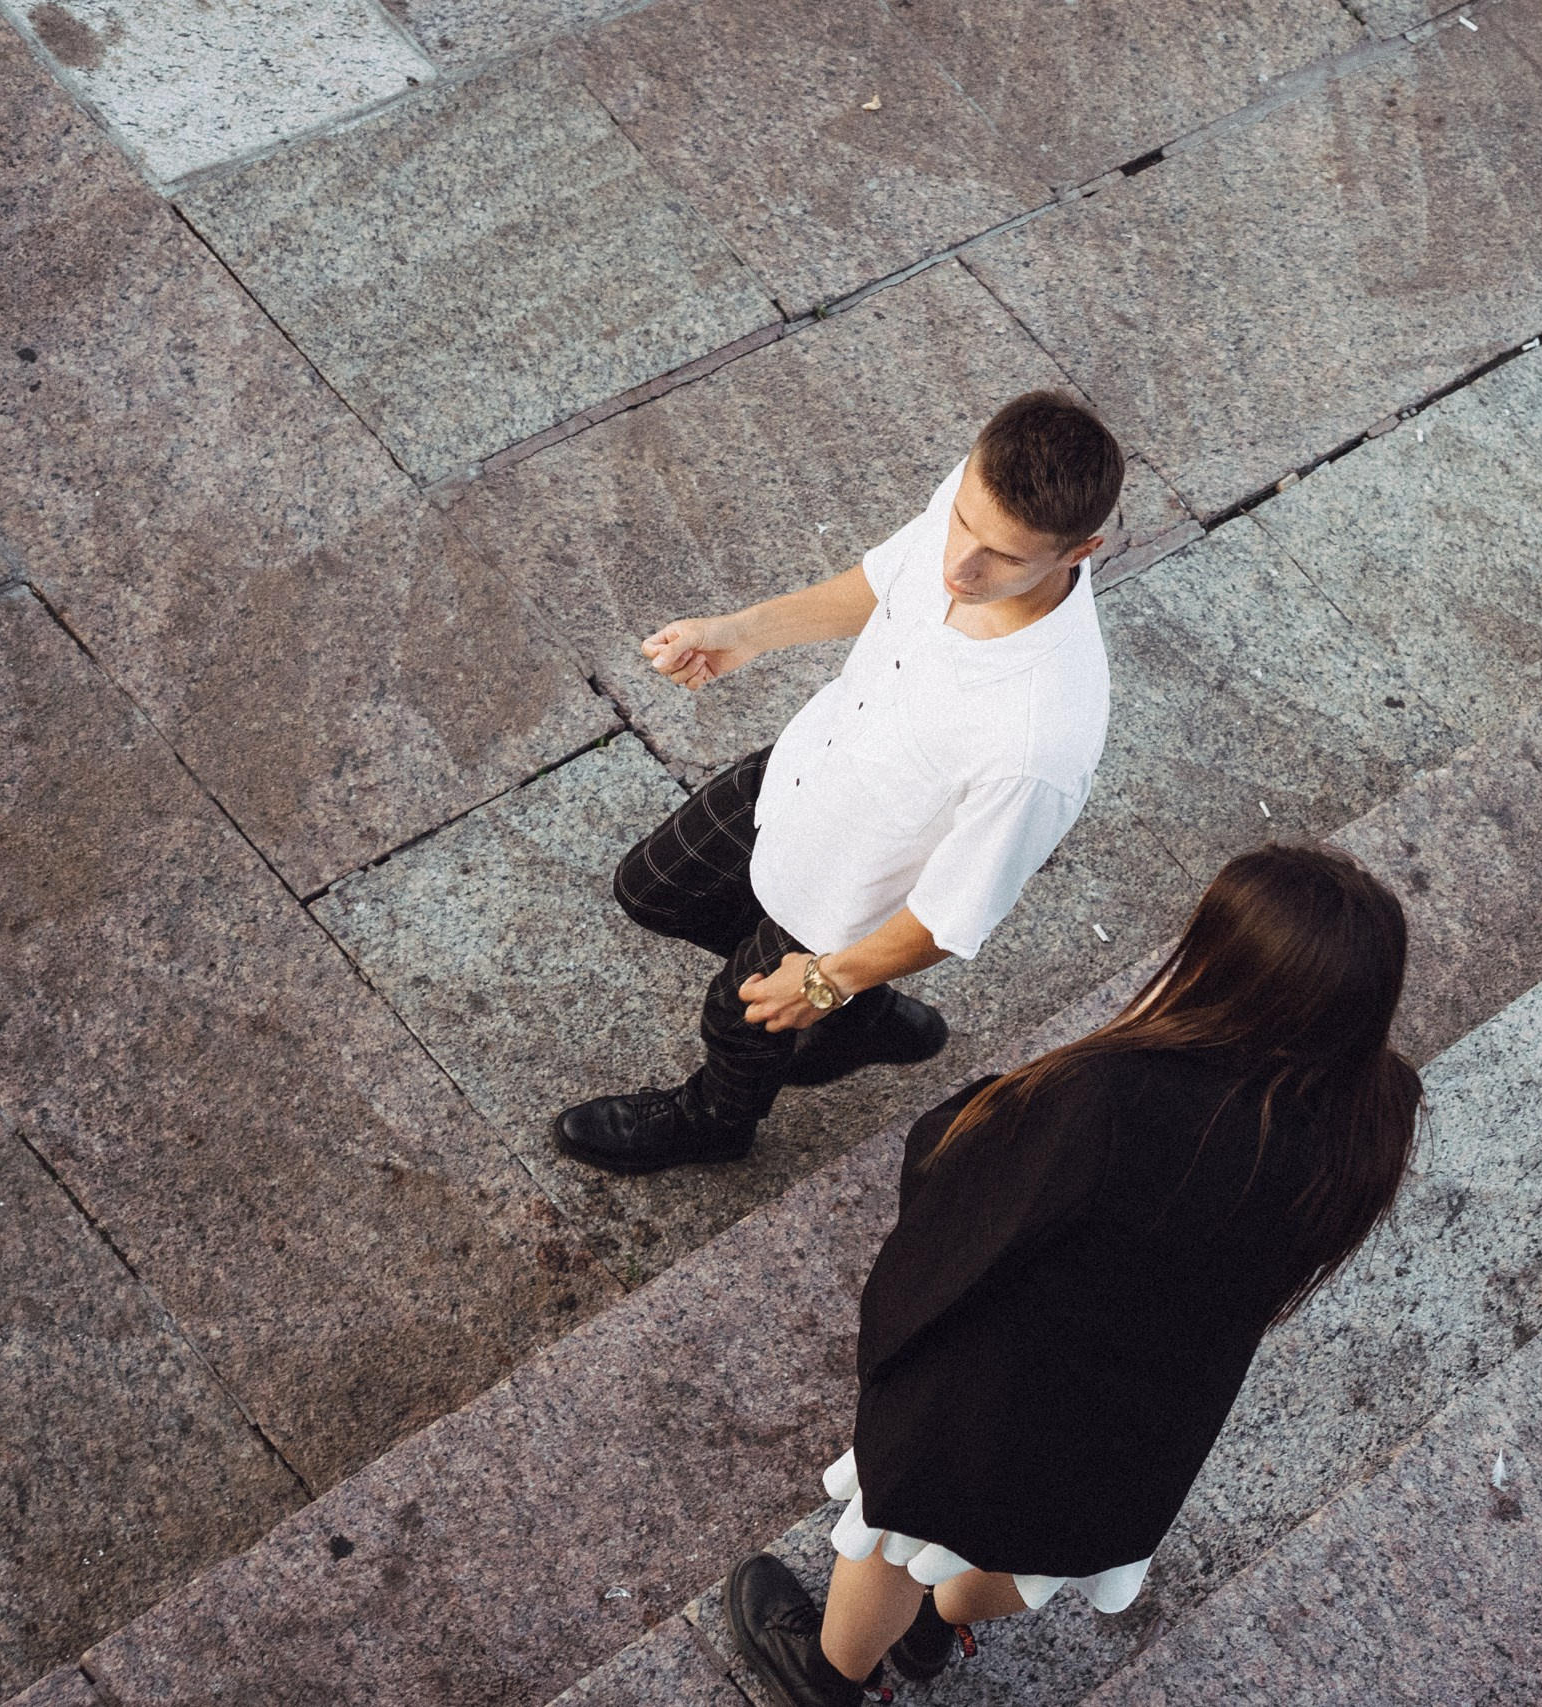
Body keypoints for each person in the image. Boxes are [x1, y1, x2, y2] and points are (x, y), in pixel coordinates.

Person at [723, 844, 1423, 1705]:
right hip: (1145, 1420)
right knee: (1038, 1547)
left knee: (894, 1533)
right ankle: (938, 1625)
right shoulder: (1374, 1119)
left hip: (995, 1391)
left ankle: (826, 1677)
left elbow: (962, 1184)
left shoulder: (1112, 1095)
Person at [554, 392, 1124, 1172]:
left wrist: (823, 982)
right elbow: (886, 581)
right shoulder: (979, 497)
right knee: (652, 887)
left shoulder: (1038, 740)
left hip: (854, 891)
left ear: (1080, 549)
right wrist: (740, 634)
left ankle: (718, 1121)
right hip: (805, 771)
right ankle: (866, 1021)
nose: (960, 565)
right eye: (961, 523)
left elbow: (949, 914)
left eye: (1004, 558)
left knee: (736, 1015)